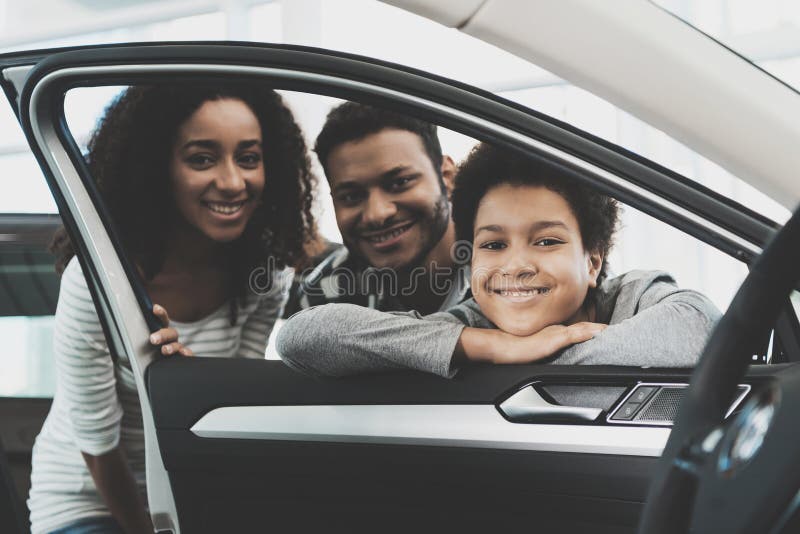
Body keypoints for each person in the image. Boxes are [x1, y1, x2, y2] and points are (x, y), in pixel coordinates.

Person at [28, 83, 316, 534]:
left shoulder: (266, 275)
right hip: (86, 499)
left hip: (181, 489)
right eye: (202, 158)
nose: (232, 181)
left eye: (248, 157)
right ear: (158, 168)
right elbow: (98, 448)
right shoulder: (94, 285)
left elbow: (226, 412)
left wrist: (188, 380)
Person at [277, 143, 720, 378]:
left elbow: (701, 327)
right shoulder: (472, 325)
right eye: (493, 245)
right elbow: (303, 338)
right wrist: (495, 347)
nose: (516, 265)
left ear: (591, 261)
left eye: (546, 241)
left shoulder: (632, 296)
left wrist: (540, 357)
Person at [284, 101, 468, 317]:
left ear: (446, 176)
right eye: (351, 196)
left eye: (400, 183)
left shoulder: (504, 267)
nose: (377, 214)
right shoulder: (325, 296)